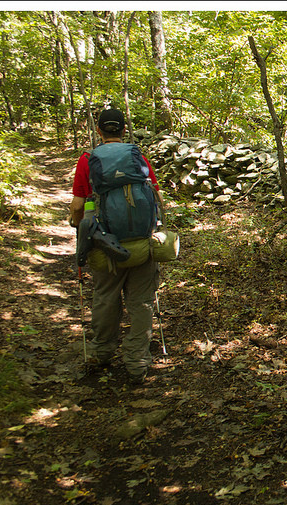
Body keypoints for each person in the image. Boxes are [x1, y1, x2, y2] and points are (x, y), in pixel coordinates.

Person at [69, 109, 161, 384]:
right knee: (142, 302)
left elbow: (77, 205)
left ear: (98, 131)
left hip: (104, 245)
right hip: (142, 245)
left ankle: (101, 352)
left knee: (106, 298)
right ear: (123, 130)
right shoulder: (137, 157)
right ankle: (137, 362)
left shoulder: (88, 160)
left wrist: (80, 227)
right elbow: (155, 196)